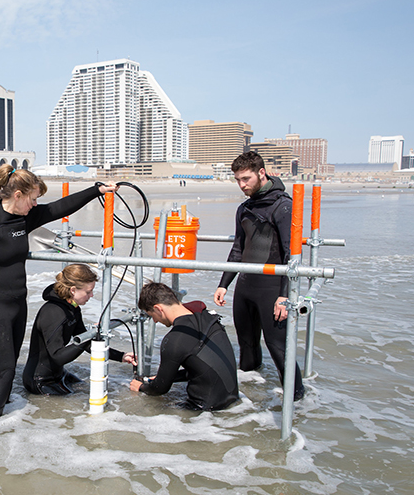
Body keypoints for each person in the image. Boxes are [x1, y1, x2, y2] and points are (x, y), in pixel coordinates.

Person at [0, 165, 119, 420]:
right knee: (3, 370)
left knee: (9, 366)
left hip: (17, 304)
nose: (35, 204)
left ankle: (5, 422)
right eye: (33, 198)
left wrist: (96, 190)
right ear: (17, 195)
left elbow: (61, 207)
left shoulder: (24, 218)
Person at [212, 151, 305, 401]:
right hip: (245, 286)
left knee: (278, 348)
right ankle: (251, 397)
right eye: (238, 180)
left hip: (272, 289)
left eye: (246, 179)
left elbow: (291, 256)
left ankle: (297, 400)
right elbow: (238, 249)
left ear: (261, 173)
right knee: (247, 345)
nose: (242, 185)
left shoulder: (283, 206)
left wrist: (284, 296)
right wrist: (224, 285)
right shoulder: (244, 208)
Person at [23, 264, 135, 395]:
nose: (91, 295)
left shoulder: (73, 308)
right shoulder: (53, 313)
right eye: (88, 292)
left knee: (86, 391)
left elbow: (85, 342)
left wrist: (121, 356)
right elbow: (58, 357)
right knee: (74, 404)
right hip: (40, 381)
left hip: (60, 375)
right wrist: (86, 339)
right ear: (73, 290)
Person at [129, 282, 239, 411]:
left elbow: (160, 389)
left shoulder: (175, 339)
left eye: (152, 315)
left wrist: (140, 387)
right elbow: (203, 368)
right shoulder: (208, 318)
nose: (155, 320)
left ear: (159, 309)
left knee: (143, 409)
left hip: (204, 411)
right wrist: (168, 377)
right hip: (232, 402)